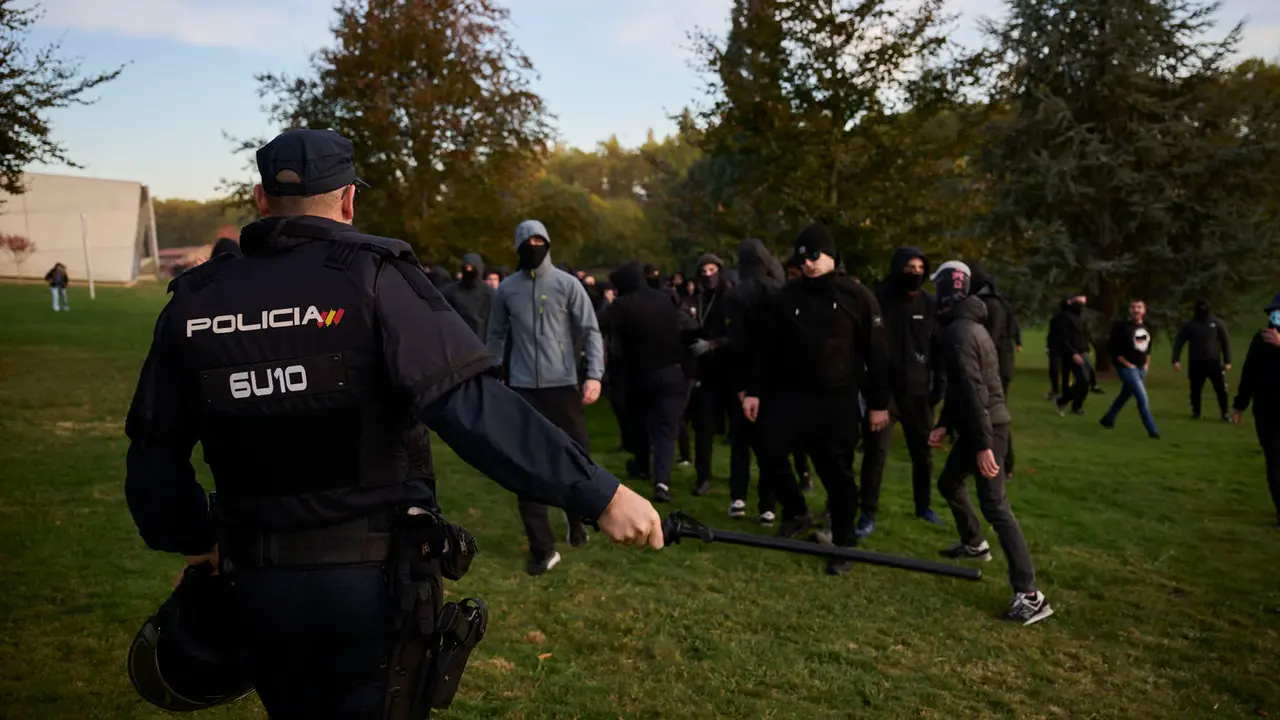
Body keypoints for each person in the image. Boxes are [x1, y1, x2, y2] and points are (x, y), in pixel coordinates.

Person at [123, 129, 663, 718]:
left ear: (260, 199)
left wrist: (198, 542)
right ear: (349, 199)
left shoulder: (196, 299)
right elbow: (474, 408)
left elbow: (154, 456)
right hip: (367, 587)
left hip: (256, 583)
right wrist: (599, 494)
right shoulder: (375, 276)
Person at [742, 223, 890, 575]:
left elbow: (878, 353)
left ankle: (844, 542)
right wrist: (756, 391)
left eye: (815, 256)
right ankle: (795, 510)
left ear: (832, 257)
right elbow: (768, 350)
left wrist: (879, 403)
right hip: (790, 397)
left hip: (836, 400)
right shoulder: (786, 297)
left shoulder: (857, 297)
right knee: (768, 448)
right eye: (802, 257)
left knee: (836, 473)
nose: (808, 263)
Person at [928, 261, 1052, 625]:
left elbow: (974, 390)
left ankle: (1030, 595)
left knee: (995, 505)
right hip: (979, 427)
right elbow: (963, 388)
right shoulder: (970, 327)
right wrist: (945, 424)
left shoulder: (959, 333)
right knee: (949, 482)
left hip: (987, 429)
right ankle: (974, 543)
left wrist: (983, 444)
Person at [486, 219, 606, 575]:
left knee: (575, 457)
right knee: (525, 466)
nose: (533, 246)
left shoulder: (568, 285)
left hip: (563, 386)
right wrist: (492, 374)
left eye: (540, 240)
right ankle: (543, 548)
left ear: (548, 244)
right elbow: (494, 336)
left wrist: (594, 376)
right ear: (518, 245)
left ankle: (576, 517)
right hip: (523, 388)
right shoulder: (506, 290)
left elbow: (592, 331)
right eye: (528, 241)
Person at [858, 247, 943, 537]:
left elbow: (935, 347)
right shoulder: (878, 301)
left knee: (923, 454)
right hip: (885, 393)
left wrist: (937, 386)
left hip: (919, 392)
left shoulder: (929, 303)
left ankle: (923, 506)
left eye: (920, 269)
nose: (915, 274)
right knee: (875, 454)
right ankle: (867, 513)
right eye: (909, 268)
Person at [601, 261, 692, 502]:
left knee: (638, 423)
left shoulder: (622, 305)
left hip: (640, 375)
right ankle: (661, 482)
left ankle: (642, 464)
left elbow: (599, 322)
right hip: (672, 371)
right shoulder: (664, 299)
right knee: (665, 431)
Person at [724, 238, 787, 523]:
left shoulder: (737, 295)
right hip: (775, 379)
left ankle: (738, 498)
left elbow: (735, 344)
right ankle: (768, 504)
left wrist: (740, 386)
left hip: (745, 375)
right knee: (770, 444)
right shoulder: (780, 292)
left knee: (741, 442)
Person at [679, 253, 733, 496]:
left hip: (731, 370)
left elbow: (738, 333)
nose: (709, 275)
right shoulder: (695, 299)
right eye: (704, 271)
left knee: (742, 432)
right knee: (703, 427)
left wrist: (713, 344)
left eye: (713, 270)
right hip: (704, 372)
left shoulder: (731, 298)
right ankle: (703, 476)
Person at [1232, 293, 1280, 527]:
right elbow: (1249, 373)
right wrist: (1239, 405)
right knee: (1275, 460)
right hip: (1267, 411)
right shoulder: (1259, 340)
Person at [969, 264, 1021, 476]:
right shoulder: (995, 302)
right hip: (998, 367)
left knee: (996, 415)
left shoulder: (992, 306)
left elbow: (989, 340)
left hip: (996, 369)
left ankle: (1004, 464)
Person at [1099, 299, 1159, 438]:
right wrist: (1127, 364)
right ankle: (1153, 431)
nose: (1136, 310)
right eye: (1133, 307)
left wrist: (1146, 365)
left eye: (1139, 307)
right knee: (1142, 399)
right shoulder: (1121, 327)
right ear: (1129, 310)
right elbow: (1113, 349)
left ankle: (1108, 419)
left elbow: (1147, 350)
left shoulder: (1145, 327)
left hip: (1141, 368)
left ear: (1144, 311)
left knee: (1125, 395)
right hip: (1127, 368)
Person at [1173, 299, 1233, 420]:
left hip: (1215, 363)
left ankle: (1225, 413)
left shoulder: (1216, 323)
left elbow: (1225, 342)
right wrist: (1176, 359)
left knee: (1221, 389)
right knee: (1195, 389)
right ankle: (1196, 412)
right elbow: (1179, 342)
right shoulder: (1190, 325)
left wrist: (1228, 360)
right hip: (1196, 363)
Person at [1052, 293, 1095, 416]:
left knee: (1086, 381)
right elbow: (1063, 338)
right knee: (1083, 380)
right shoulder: (1065, 318)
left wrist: (1087, 349)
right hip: (1072, 353)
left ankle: (1077, 406)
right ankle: (1061, 401)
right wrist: (1073, 353)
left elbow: (1084, 335)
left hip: (1083, 352)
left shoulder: (1081, 317)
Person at [441, 252, 493, 340]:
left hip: (482, 343)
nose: (469, 271)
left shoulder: (490, 294)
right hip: (458, 341)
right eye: (466, 268)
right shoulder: (450, 292)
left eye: (471, 268)